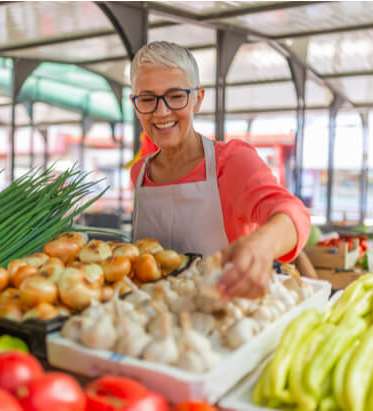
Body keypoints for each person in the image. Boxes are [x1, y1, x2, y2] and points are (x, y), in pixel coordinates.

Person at [129, 41, 311, 299]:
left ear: (198, 99)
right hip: (149, 320)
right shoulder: (139, 174)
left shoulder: (232, 162)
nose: (162, 111)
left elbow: (295, 214)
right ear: (135, 104)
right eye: (147, 99)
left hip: (220, 315)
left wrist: (262, 245)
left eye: (176, 96)